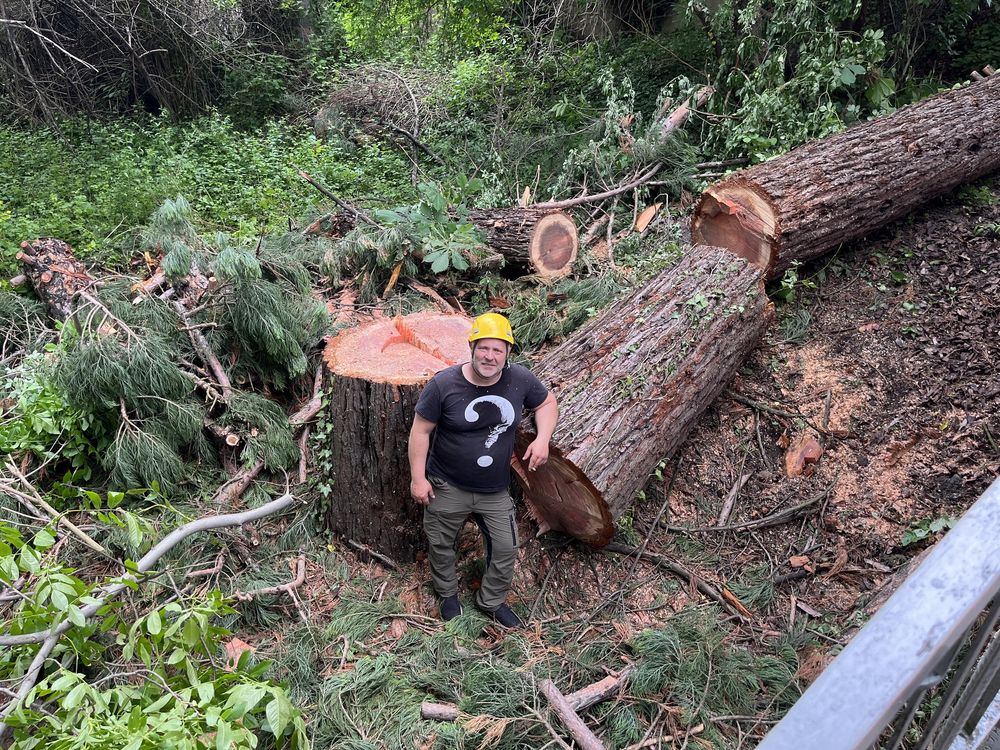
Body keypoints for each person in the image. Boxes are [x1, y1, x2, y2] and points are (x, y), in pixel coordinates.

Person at [408, 313, 558, 627]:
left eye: (497, 350)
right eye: (484, 348)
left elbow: (546, 403)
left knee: (505, 546)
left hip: (494, 488)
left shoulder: (519, 379)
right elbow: (420, 431)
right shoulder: (444, 384)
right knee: (441, 542)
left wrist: (543, 439)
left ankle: (491, 601)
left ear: (507, 354)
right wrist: (418, 478)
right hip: (446, 483)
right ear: (472, 347)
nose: (489, 356)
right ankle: (448, 595)